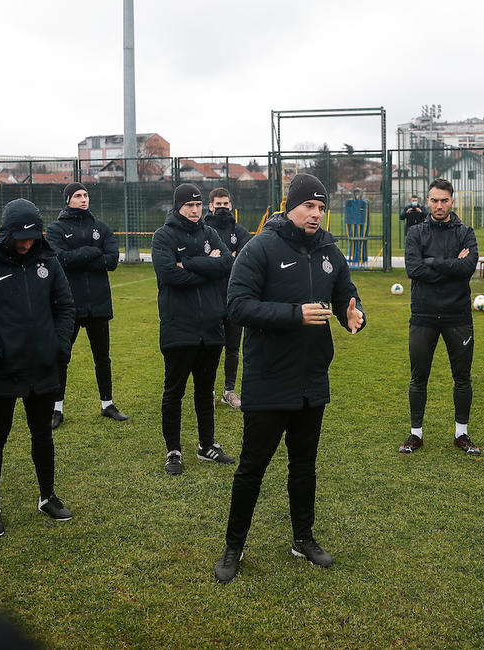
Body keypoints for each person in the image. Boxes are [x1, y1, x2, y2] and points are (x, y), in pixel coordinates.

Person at [215, 173, 365, 584]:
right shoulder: (260, 247)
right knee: (252, 467)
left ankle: (303, 538)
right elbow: (238, 305)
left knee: (304, 464)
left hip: (312, 378)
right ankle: (234, 546)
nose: (316, 214)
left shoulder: (329, 248)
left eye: (321, 207)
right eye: (309, 206)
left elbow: (346, 291)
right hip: (269, 378)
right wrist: (294, 313)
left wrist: (355, 311)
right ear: (290, 206)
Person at [0, 198, 75, 538]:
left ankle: (47, 496)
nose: (26, 243)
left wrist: (59, 345)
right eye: (20, 237)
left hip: (42, 366)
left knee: (42, 434)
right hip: (2, 368)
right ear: (6, 233)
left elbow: (65, 307)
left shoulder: (48, 260)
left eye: (32, 237)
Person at [152, 183, 236, 476]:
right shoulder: (163, 235)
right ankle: (173, 451)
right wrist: (205, 269)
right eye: (189, 205)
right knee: (173, 392)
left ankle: (206, 445)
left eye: (199, 205)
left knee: (205, 391)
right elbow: (169, 274)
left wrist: (187, 263)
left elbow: (226, 263)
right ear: (178, 207)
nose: (195, 210)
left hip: (211, 328)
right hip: (179, 329)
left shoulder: (210, 232)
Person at [398, 178, 481, 456]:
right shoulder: (416, 233)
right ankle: (415, 434)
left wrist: (432, 262)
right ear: (427, 201)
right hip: (423, 314)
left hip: (458, 316)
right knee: (418, 377)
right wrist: (451, 264)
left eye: (444, 200)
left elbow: (467, 267)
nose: (439, 205)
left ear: (452, 201)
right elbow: (414, 269)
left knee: (462, 378)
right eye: (434, 200)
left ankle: (461, 434)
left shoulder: (465, 232)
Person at [46, 182, 127, 429]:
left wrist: (79, 256)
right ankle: (56, 409)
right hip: (67, 305)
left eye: (86, 195)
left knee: (103, 357)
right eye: (78, 195)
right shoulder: (56, 229)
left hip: (99, 304)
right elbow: (59, 260)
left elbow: (112, 260)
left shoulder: (100, 227)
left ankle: (107, 405)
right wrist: (93, 252)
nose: (83, 199)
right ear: (68, 199)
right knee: (61, 357)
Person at [204, 187, 252, 409]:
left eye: (225, 204)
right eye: (218, 204)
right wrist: (227, 258)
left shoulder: (240, 231)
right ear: (210, 206)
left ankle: (229, 391)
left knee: (233, 348)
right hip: (208, 300)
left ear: (231, 206)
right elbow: (199, 262)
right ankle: (209, 391)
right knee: (210, 348)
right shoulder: (202, 230)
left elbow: (244, 263)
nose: (222, 208)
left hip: (234, 299)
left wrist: (218, 259)